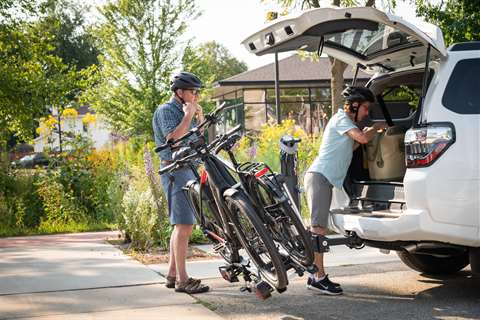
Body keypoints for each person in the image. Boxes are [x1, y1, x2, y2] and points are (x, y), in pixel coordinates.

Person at [304, 86, 388, 295]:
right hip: (320, 177)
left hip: (325, 179)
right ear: (355, 105)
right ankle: (318, 277)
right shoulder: (341, 119)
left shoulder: (346, 124)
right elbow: (361, 138)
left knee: (319, 228)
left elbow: (350, 147)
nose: (367, 113)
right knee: (318, 229)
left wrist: (369, 133)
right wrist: (376, 127)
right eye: (366, 109)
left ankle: (315, 275)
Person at [152, 71, 209, 294]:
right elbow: (173, 139)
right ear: (179, 92)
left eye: (196, 92)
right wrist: (187, 117)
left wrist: (198, 119)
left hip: (188, 169)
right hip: (176, 170)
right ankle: (183, 281)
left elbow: (196, 138)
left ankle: (172, 274)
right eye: (192, 91)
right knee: (183, 225)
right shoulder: (167, 110)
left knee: (182, 224)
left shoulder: (186, 110)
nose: (195, 95)